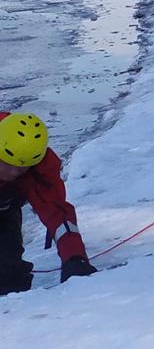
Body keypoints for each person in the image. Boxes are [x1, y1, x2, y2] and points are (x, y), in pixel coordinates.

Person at [1, 111, 97, 296]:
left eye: (21, 168)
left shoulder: (41, 167)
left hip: (5, 207)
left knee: (8, 277)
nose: (14, 173)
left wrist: (74, 257)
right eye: (7, 164)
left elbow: (57, 213)